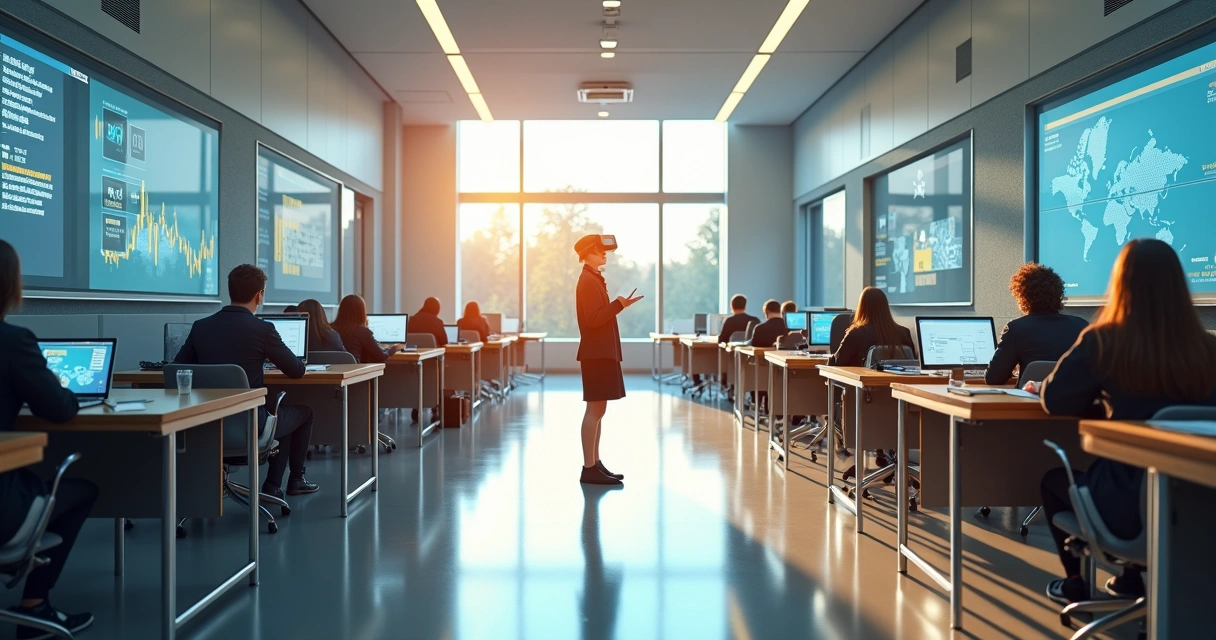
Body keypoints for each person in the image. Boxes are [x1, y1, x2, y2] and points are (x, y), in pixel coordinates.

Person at [1037, 238, 1216, 604]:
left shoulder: (1105, 341)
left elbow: (1054, 400)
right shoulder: (1209, 347)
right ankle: (1131, 581)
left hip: (1128, 510)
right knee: (1150, 475)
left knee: (1054, 480)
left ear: (1120, 283)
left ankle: (1076, 584)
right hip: (1202, 506)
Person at [0, 240, 98, 638]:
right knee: (83, 488)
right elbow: (59, 408)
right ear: (11, 285)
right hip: (2, 512)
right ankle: (35, 605)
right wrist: (60, 387)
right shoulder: (13, 342)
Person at [175, 265, 319, 499]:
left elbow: (177, 369)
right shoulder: (262, 329)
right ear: (259, 295)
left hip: (204, 426)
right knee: (301, 414)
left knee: (279, 413)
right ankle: (289, 481)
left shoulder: (201, 327)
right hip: (249, 428)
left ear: (230, 290)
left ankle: (272, 485)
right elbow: (296, 370)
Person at [574, 234, 642, 486]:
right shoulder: (587, 281)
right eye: (599, 251)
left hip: (601, 353)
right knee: (594, 410)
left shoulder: (594, 278)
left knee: (599, 410)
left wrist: (619, 304)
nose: (604, 255)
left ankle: (596, 463)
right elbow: (593, 319)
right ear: (587, 253)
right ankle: (588, 467)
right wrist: (619, 305)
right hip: (596, 354)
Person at [985, 263, 1088, 385]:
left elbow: (994, 378)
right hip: (1074, 401)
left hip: (1029, 400)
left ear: (1022, 296)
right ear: (1058, 294)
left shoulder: (1016, 329)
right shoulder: (1081, 326)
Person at [827, 287, 915, 367]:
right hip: (896, 384)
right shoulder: (904, 333)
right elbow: (913, 364)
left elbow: (837, 362)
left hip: (865, 383)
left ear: (861, 308)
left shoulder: (856, 334)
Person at [331, 294, 403, 363]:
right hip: (355, 372)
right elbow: (381, 356)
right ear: (361, 312)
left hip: (332, 372)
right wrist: (394, 348)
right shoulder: (362, 332)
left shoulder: (330, 329)